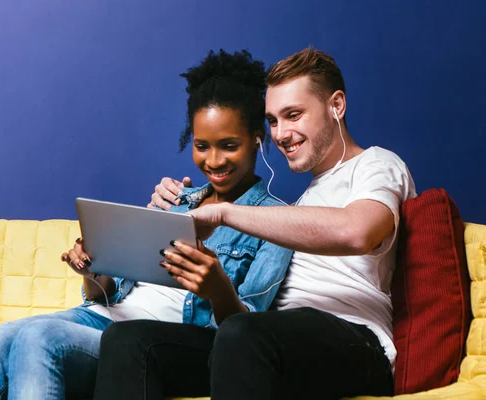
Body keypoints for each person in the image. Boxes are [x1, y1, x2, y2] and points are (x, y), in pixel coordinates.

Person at [0, 49, 292, 400]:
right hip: (102, 316)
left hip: (159, 341)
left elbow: (245, 333)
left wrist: (216, 286)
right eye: (202, 146)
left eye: (228, 146)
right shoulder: (177, 200)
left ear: (257, 138)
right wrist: (94, 267)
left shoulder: (275, 222)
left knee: (38, 338)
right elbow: (109, 291)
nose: (213, 160)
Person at [92, 47, 416, 400]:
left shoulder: (377, 165)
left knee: (242, 335)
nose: (280, 133)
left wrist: (224, 212)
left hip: (355, 341)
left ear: (336, 105)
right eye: (273, 120)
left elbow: (357, 232)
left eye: (294, 115)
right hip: (264, 340)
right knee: (130, 341)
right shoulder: (302, 203)